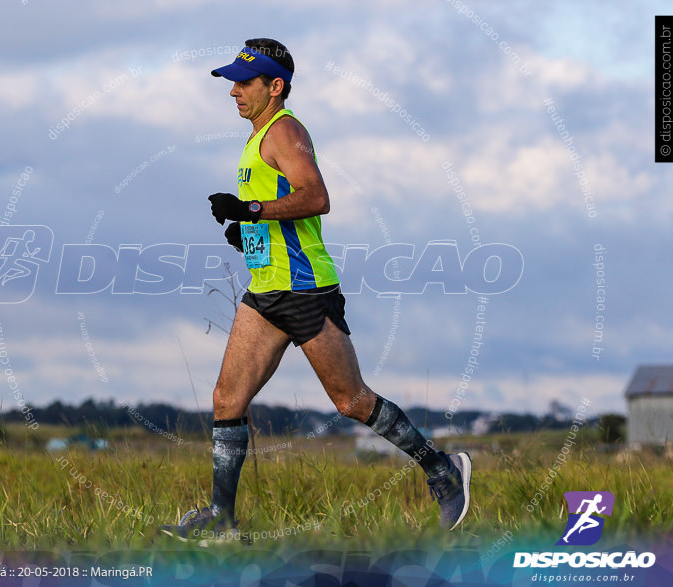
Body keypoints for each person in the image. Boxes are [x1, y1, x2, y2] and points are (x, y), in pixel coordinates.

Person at [161, 38, 471, 541]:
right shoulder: (258, 135)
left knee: (351, 401)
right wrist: (248, 233)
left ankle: (441, 469)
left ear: (275, 86)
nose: (234, 91)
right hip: (266, 288)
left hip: (304, 289)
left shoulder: (285, 131)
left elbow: (317, 197)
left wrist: (251, 211)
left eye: (245, 83)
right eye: (232, 82)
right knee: (226, 400)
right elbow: (280, 206)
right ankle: (221, 520)